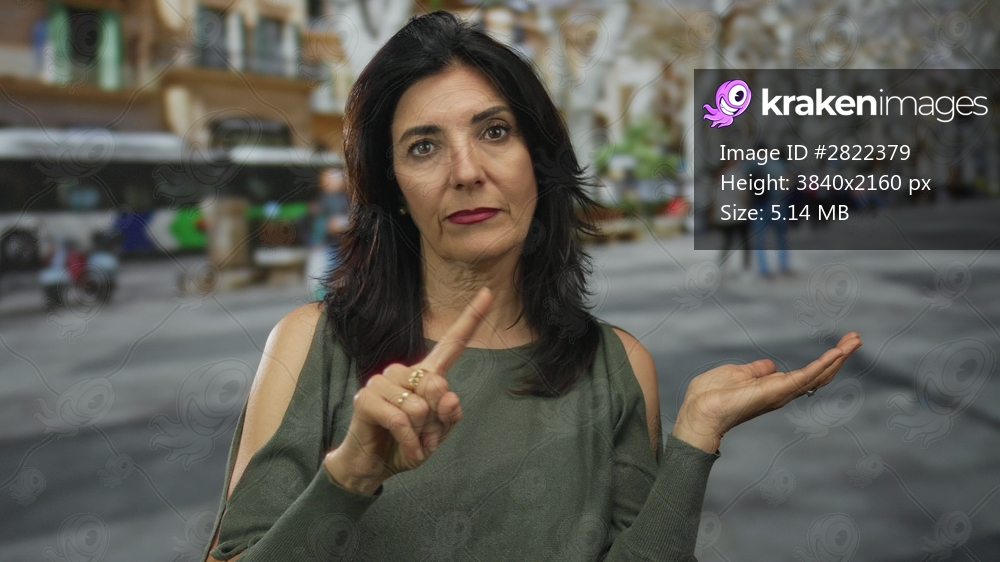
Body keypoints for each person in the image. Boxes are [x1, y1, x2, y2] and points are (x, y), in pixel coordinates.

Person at [202, 12, 862, 562]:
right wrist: (349, 476)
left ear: (537, 163)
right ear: (393, 186)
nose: (466, 171)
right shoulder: (309, 347)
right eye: (424, 146)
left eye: (494, 132)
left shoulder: (617, 367)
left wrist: (695, 439)